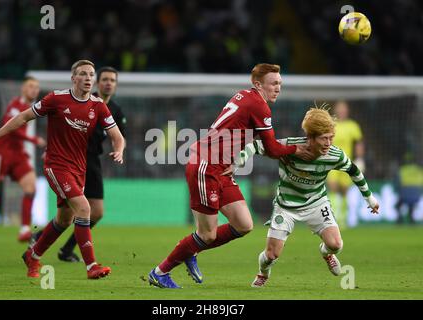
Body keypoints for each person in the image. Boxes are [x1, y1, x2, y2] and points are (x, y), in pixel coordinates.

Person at [148, 63, 314, 288]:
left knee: (244, 224)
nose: (278, 88)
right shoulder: (259, 106)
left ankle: (190, 248)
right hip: (206, 166)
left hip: (222, 168)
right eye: (274, 83)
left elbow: (239, 133)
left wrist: (236, 158)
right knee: (207, 235)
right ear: (258, 84)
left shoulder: (244, 96)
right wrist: (297, 150)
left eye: (280, 84)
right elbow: (273, 149)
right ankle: (160, 272)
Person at [0, 60, 125, 279]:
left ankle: (32, 255)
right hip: (56, 165)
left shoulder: (98, 106)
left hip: (79, 168)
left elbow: (117, 137)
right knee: (84, 209)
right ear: (73, 78)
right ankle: (91, 265)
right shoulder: (56, 99)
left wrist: (119, 150)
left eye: (91, 75)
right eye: (82, 74)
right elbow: (23, 116)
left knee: (64, 219)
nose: (87, 78)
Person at [234, 106, 379, 287]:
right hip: (286, 206)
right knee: (271, 255)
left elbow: (354, 171)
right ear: (310, 137)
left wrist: (369, 198)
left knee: (336, 244)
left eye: (331, 138)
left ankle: (326, 253)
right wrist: (239, 160)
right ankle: (263, 273)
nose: (328, 143)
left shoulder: (335, 155)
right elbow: (255, 145)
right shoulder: (289, 146)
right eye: (324, 138)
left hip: (316, 203)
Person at [31, 66, 127, 262]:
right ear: (97, 83)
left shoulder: (114, 110)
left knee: (94, 212)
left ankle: (56, 247)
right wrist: (52, 150)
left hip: (92, 162)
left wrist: (119, 150)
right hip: (69, 160)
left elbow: (119, 136)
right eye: (105, 79)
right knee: (78, 211)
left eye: (112, 80)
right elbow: (64, 129)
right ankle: (85, 262)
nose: (108, 83)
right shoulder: (83, 99)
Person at [0, 77, 46, 241]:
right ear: (23, 89)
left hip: (18, 155)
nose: (34, 90)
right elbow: (12, 129)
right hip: (2, 153)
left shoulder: (30, 107)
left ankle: (24, 229)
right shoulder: (15, 105)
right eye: (30, 86)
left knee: (31, 187)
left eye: (36, 87)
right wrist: (33, 140)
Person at [327, 100, 365, 229]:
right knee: (332, 186)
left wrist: (360, 158)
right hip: (331, 162)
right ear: (335, 110)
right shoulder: (330, 125)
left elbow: (359, 143)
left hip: (346, 163)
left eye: (344, 109)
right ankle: (334, 217)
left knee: (344, 190)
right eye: (340, 109)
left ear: (347, 111)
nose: (342, 111)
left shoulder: (352, 126)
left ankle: (343, 218)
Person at [394, 152, 423, 224]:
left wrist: (398, 191)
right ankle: (412, 219)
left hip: (405, 194)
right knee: (411, 205)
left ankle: (399, 219)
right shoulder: (419, 170)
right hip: (416, 195)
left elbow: (397, 183)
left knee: (398, 205)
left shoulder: (402, 170)